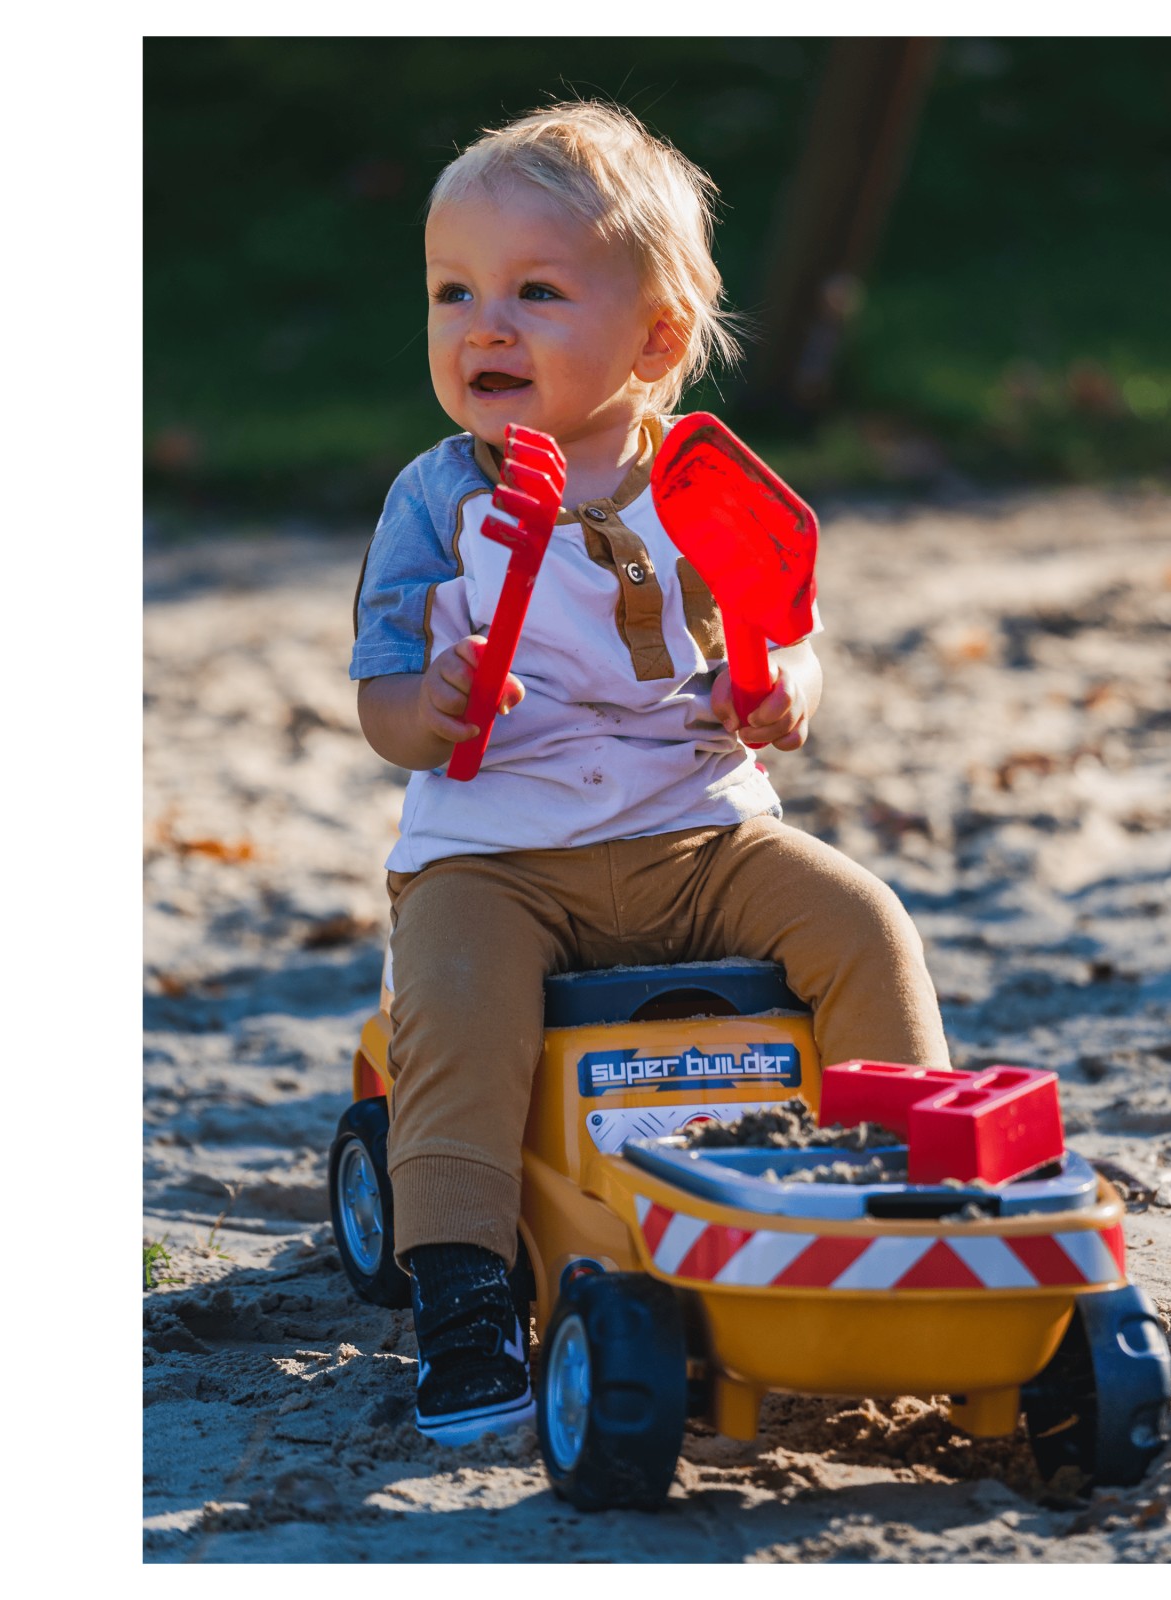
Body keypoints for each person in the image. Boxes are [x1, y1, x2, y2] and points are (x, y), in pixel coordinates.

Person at [350, 101, 948, 1442]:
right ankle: (461, 1289)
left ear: (658, 341)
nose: (484, 327)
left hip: (701, 834)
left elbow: (785, 633)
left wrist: (783, 691)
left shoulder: (702, 484)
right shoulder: (436, 501)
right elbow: (381, 702)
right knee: (453, 1002)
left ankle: (906, 1196)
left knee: (863, 923)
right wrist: (431, 707)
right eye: (454, 292)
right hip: (497, 853)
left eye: (536, 293)